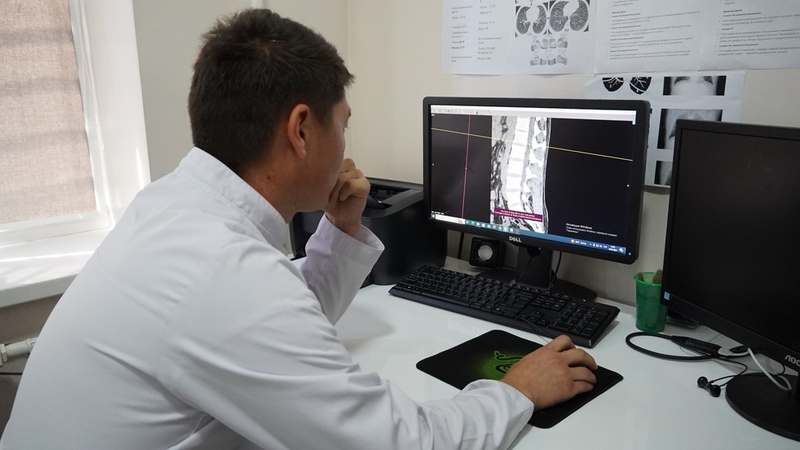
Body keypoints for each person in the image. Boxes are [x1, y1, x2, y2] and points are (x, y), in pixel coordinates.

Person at [0, 9, 597, 450]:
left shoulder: (171, 207)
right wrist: (517, 391)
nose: (346, 143)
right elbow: (401, 443)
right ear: (302, 131)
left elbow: (281, 318)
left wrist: (341, 227)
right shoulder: (222, 272)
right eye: (344, 123)